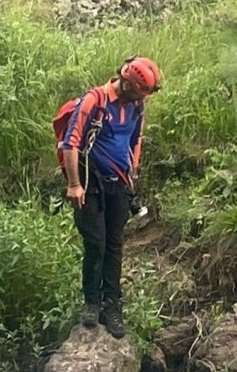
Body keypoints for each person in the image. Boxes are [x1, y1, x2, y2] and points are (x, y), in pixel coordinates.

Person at [62, 57, 161, 339]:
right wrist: (74, 184)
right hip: (89, 182)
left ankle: (112, 307)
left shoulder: (136, 106)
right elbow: (71, 142)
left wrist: (133, 171)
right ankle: (92, 303)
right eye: (138, 92)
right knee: (96, 243)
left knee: (114, 245)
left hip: (120, 183)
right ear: (128, 83)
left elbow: (135, 139)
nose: (139, 99)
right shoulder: (94, 101)